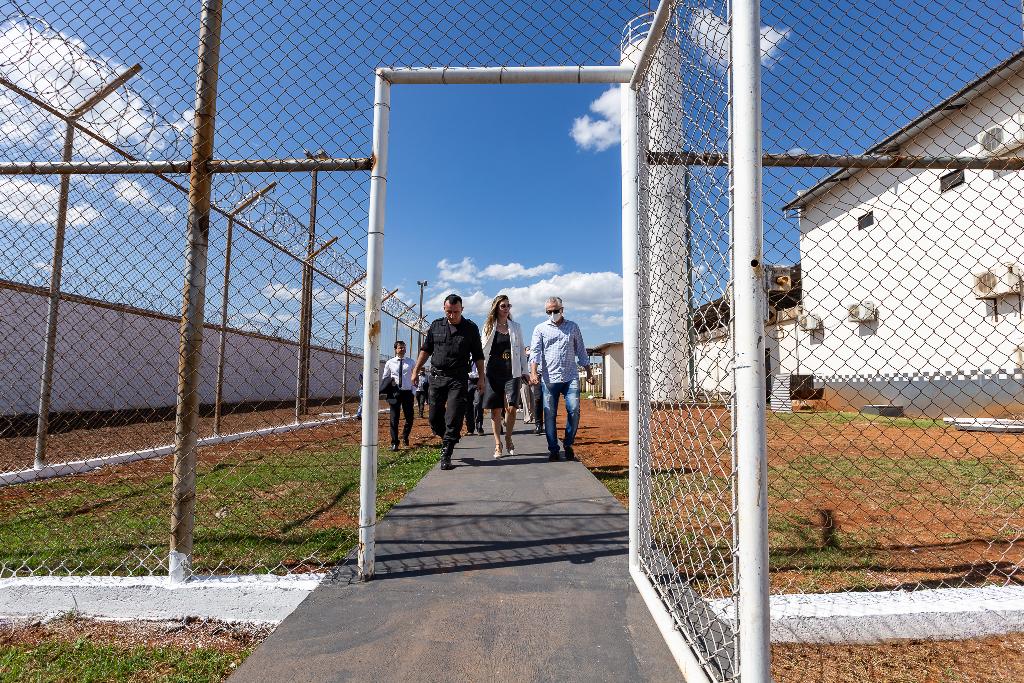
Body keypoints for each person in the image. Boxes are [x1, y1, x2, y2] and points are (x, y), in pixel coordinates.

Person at [411, 294, 485, 470]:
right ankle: (449, 437)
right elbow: (426, 350)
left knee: (453, 415)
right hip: (436, 377)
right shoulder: (436, 325)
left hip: (458, 379)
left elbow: (478, 356)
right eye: (449, 311)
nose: (452, 315)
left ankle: (447, 453)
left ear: (462, 309)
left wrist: (481, 377)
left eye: (456, 312)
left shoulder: (470, 328)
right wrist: (415, 370)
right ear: (444, 309)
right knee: (434, 418)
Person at [529, 297, 593, 461]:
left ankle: (568, 443)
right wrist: (534, 372)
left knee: (574, 410)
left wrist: (589, 373)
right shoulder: (540, 329)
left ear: (562, 309)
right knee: (549, 414)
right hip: (549, 379)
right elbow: (535, 352)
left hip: (570, 377)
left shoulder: (572, 327)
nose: (553, 314)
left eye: (555, 311)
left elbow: (581, 351)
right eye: (549, 311)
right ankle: (554, 449)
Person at [480, 295, 529, 458]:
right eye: (503, 306)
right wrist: (480, 373)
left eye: (508, 305)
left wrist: (525, 371)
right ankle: (497, 444)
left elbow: (522, 350)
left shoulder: (515, 327)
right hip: (493, 373)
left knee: (512, 409)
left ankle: (508, 438)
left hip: (511, 373)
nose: (506, 308)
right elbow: (482, 350)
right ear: (496, 308)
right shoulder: (488, 326)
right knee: (495, 411)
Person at [381, 340, 415, 450]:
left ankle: (405, 436)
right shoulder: (390, 362)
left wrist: (413, 390)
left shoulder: (411, 362)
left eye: (404, 347)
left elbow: (415, 378)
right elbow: (385, 377)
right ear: (395, 349)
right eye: (400, 347)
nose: (403, 349)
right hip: (395, 393)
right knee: (394, 419)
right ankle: (395, 442)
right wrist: (389, 386)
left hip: (407, 393)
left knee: (409, 418)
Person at [465, 361, 484, 436]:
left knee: (478, 403)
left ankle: (479, 427)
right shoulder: (466, 353)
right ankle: (470, 428)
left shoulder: (481, 352)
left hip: (479, 380)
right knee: (468, 405)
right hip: (468, 380)